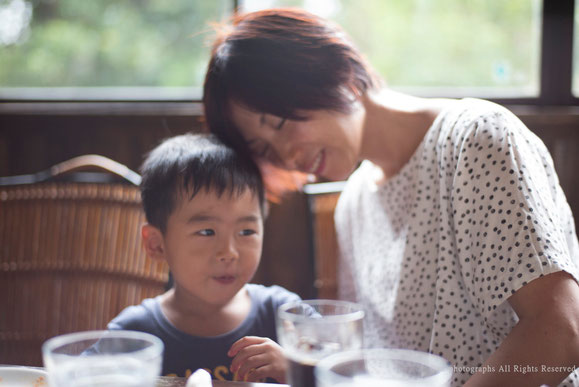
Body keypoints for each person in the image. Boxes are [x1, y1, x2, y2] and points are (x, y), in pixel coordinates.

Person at [202, 8, 579, 387]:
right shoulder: (353, 203)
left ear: (336, 74)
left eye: (280, 124)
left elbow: (562, 329)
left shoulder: (475, 139)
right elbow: (375, 364)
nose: (286, 156)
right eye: (265, 150)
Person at [107, 133, 300, 383]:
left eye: (246, 231)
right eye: (207, 232)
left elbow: (343, 373)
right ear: (157, 244)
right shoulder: (133, 335)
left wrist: (298, 370)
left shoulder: (284, 316)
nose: (229, 252)